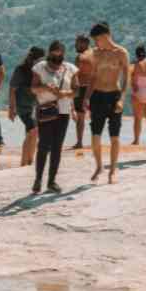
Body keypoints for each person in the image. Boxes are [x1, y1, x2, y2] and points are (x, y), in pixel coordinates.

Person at [84, 22, 129, 184]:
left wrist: (122, 100)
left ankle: (113, 170)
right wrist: (86, 98)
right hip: (97, 96)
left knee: (114, 136)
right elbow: (93, 77)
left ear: (104, 36)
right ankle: (99, 166)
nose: (96, 43)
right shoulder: (95, 53)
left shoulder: (121, 53)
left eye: (96, 39)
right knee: (95, 135)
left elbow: (126, 79)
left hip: (114, 96)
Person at [31, 41, 78, 194]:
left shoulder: (70, 68)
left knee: (57, 147)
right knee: (43, 145)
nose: (56, 57)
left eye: (59, 54)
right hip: (46, 110)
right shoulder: (40, 67)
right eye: (54, 54)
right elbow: (33, 88)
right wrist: (46, 88)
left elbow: (77, 90)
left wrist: (64, 94)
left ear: (63, 54)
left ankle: (51, 181)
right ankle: (38, 179)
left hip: (63, 111)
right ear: (49, 53)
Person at [9, 46, 45, 167]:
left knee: (34, 132)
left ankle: (30, 160)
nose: (41, 62)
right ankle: (23, 162)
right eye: (39, 59)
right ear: (33, 58)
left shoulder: (40, 71)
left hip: (33, 106)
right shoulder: (20, 70)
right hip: (22, 106)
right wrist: (11, 109)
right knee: (32, 130)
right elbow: (12, 89)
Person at [72, 34, 94, 149]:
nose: (75, 45)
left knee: (80, 116)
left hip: (82, 87)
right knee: (95, 116)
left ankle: (79, 142)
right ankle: (96, 140)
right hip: (95, 87)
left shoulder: (80, 57)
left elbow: (75, 76)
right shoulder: (96, 53)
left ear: (84, 43)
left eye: (77, 43)